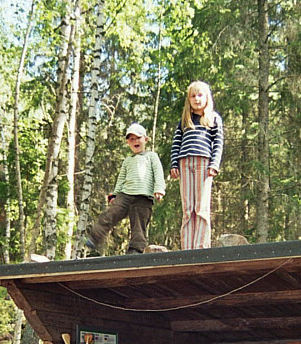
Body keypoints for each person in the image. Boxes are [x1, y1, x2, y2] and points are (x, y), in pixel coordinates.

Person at [84, 123, 165, 255]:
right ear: (128, 142)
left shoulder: (151, 156)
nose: (135, 142)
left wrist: (159, 189)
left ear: (146, 139)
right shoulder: (128, 160)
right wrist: (115, 194)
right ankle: (95, 237)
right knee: (111, 214)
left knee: (139, 225)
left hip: (143, 198)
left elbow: (158, 173)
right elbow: (121, 179)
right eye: (131, 139)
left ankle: (135, 251)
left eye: (138, 138)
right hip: (125, 195)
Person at [169, 81, 224, 250]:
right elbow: (176, 143)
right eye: (193, 96)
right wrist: (174, 163)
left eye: (200, 95)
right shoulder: (185, 120)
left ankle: (200, 247)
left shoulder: (213, 118)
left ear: (207, 97)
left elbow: (218, 143)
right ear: (189, 99)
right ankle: (187, 247)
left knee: (201, 207)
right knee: (188, 208)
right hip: (185, 162)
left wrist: (214, 164)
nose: (196, 99)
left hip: (204, 162)